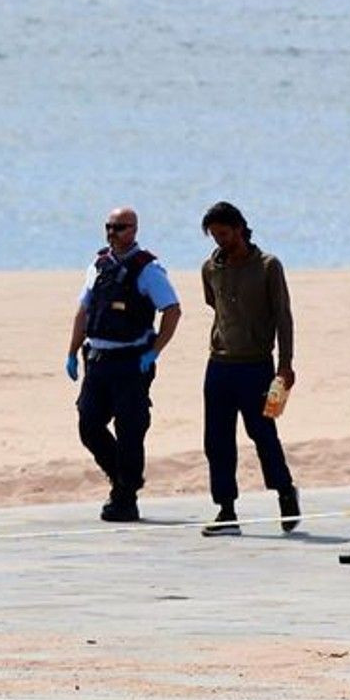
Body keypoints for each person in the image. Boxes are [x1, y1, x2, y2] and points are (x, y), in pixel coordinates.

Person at [65, 207, 182, 522]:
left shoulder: (148, 269)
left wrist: (154, 352)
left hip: (132, 362)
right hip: (98, 360)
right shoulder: (99, 264)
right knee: (89, 425)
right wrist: (72, 352)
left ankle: (125, 496)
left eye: (119, 227)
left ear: (134, 229)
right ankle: (124, 478)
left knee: (130, 429)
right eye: (108, 226)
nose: (112, 232)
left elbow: (172, 310)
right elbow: (83, 311)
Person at [196, 202, 301, 536]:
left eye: (224, 234)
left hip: (256, 366)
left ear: (240, 228)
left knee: (263, 434)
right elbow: (215, 305)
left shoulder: (268, 266)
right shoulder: (210, 268)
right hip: (219, 365)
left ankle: (284, 490)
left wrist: (285, 365)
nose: (219, 241)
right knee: (217, 440)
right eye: (214, 235)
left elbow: (283, 316)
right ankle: (226, 510)